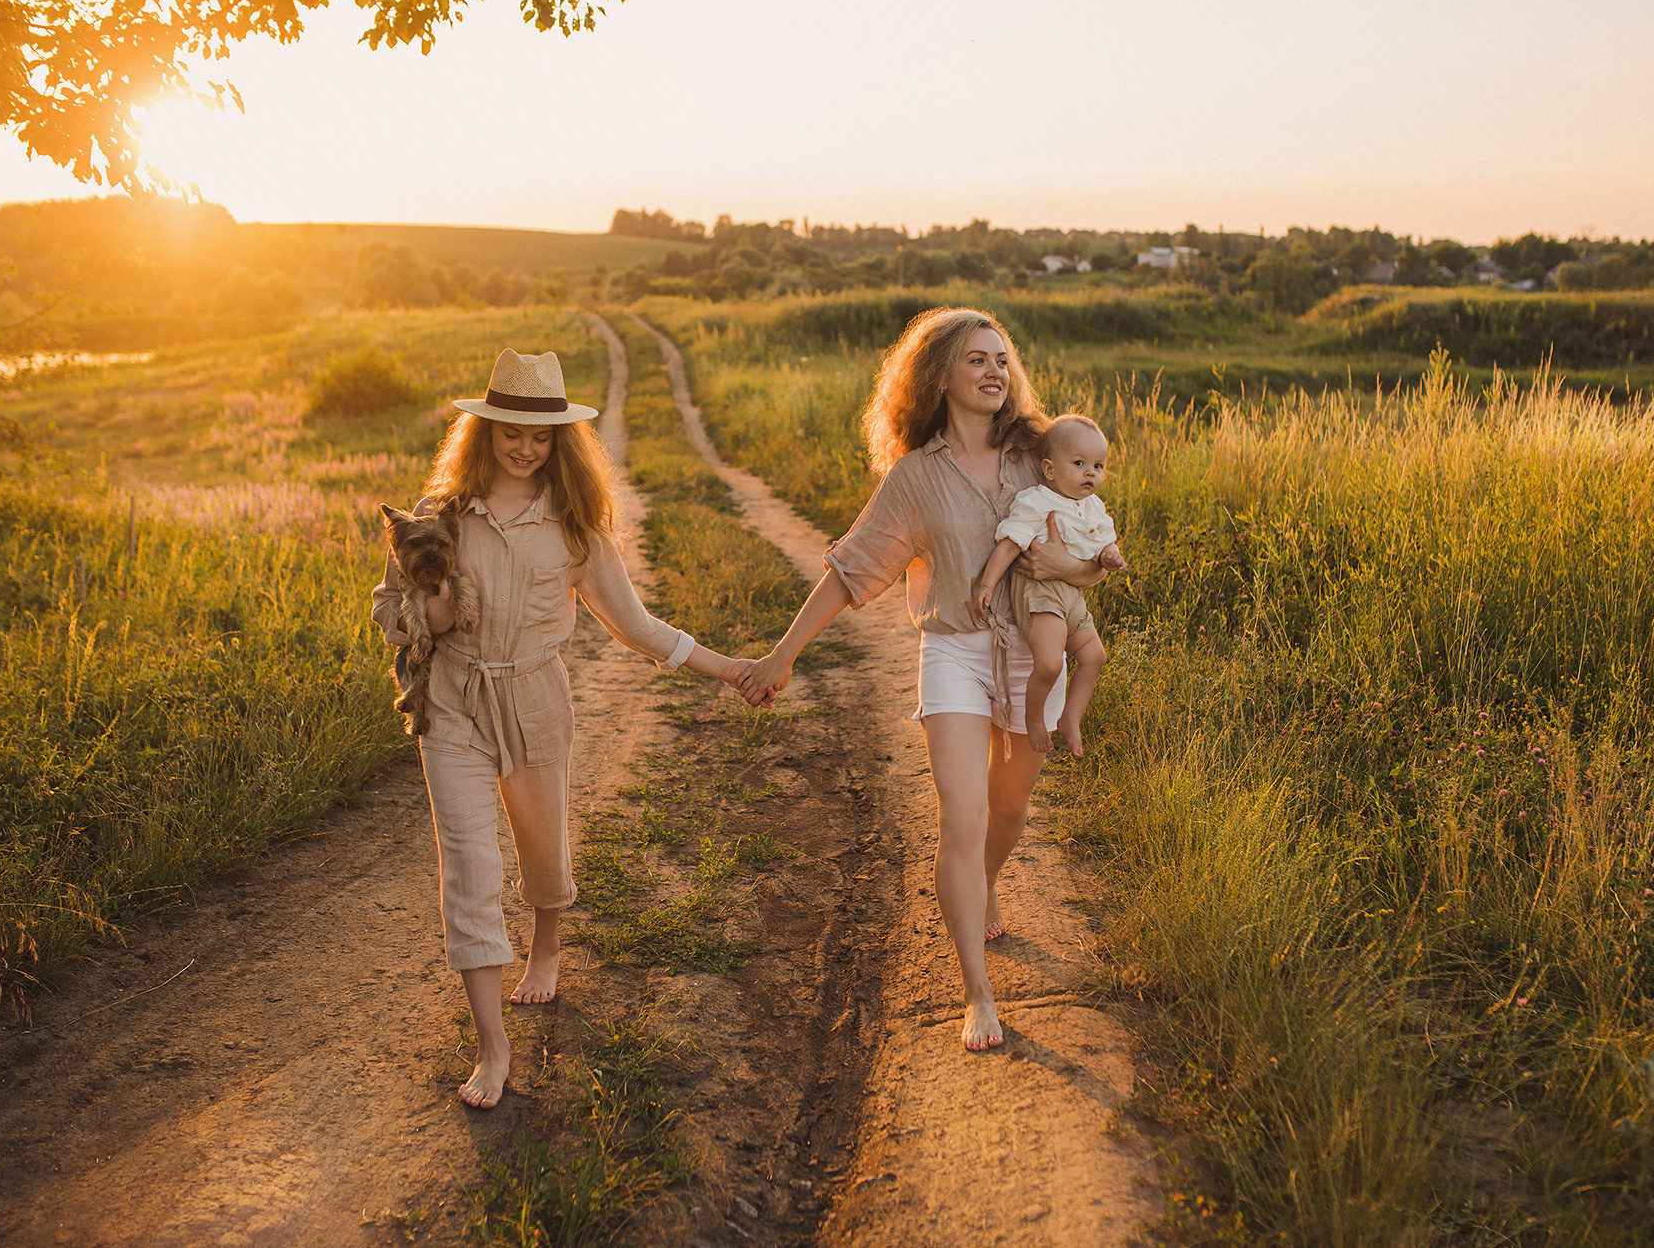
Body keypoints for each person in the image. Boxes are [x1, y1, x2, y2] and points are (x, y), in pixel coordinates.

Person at [372, 347, 749, 1109]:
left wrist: (730, 669)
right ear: (485, 430)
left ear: (558, 440)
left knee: (544, 850)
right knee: (470, 869)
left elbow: (636, 627)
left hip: (536, 698)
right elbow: (388, 608)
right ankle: (493, 1045)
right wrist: (427, 612)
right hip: (453, 702)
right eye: (509, 431)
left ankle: (546, 945)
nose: (523, 446)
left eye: (539, 436)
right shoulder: (441, 512)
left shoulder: (576, 527)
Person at [735, 308, 1105, 1052]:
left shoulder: (1038, 451)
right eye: (976, 359)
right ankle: (978, 993)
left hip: (1033, 649)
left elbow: (1095, 540)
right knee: (962, 819)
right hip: (955, 654)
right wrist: (783, 654)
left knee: (1009, 806)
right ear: (938, 375)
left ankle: (985, 882)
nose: (995, 371)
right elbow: (851, 571)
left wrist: (1070, 567)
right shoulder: (914, 477)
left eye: (1001, 358)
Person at [971, 413, 1126, 757]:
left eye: (1098, 466)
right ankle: (1034, 718)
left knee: (1094, 656)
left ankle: (1070, 718)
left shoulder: (1094, 507)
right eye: (1079, 463)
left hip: (1073, 597)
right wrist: (986, 585)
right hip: (1040, 593)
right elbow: (1009, 546)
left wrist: (1110, 556)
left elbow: (1104, 545)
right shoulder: (1037, 502)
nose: (1091, 473)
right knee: (1050, 663)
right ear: (1050, 469)